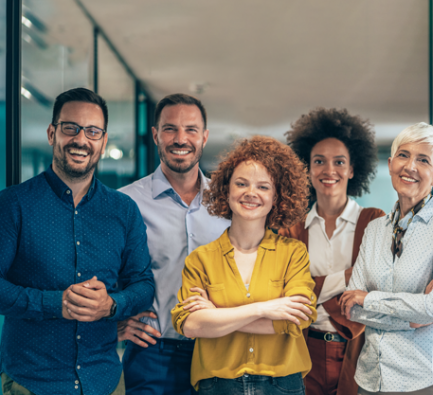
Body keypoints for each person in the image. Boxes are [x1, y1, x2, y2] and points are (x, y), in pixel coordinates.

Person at [0, 88, 155, 395]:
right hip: (31, 384)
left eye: (93, 131)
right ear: (51, 133)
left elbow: (143, 284)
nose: (81, 140)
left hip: (104, 382)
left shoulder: (123, 211)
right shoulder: (13, 205)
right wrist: (55, 303)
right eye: (71, 128)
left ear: (103, 141)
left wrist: (111, 305)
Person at [172, 136, 317, 395]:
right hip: (218, 386)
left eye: (263, 187)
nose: (251, 193)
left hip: (282, 385)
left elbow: (297, 319)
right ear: (226, 191)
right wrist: (266, 309)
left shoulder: (293, 253)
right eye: (241, 183)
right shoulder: (201, 259)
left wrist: (216, 316)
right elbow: (191, 325)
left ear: (277, 197)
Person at [118, 94, 230, 395]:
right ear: (155, 135)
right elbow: (102, 273)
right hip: (153, 353)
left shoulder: (230, 203)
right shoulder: (126, 202)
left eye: (191, 129)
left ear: (204, 137)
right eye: (170, 129)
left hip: (219, 351)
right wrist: (114, 323)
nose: (181, 139)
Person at [279, 108, 385, 395]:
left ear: (352, 169)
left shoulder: (375, 221)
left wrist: (313, 293)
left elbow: (382, 281)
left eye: (339, 162)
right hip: (304, 349)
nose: (329, 170)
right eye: (319, 161)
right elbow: (285, 291)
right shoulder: (291, 229)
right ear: (307, 169)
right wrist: (351, 278)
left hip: (359, 349)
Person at [341, 122, 433, 395]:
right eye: (403, 155)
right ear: (390, 164)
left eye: (423, 160)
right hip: (369, 380)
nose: (410, 166)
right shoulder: (375, 228)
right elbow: (351, 308)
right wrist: (414, 317)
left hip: (424, 381)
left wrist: (368, 298)